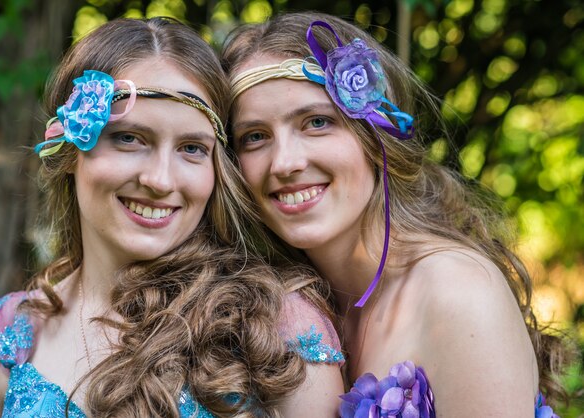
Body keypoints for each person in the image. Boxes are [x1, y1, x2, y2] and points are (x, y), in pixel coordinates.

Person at [0, 17, 345, 418]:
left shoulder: (279, 327)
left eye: (191, 148)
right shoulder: (6, 338)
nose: (161, 180)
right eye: (129, 138)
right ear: (68, 148)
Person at [222, 11, 566, 417]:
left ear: (376, 133)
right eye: (255, 137)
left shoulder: (457, 292)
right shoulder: (281, 303)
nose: (285, 162)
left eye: (316, 122)